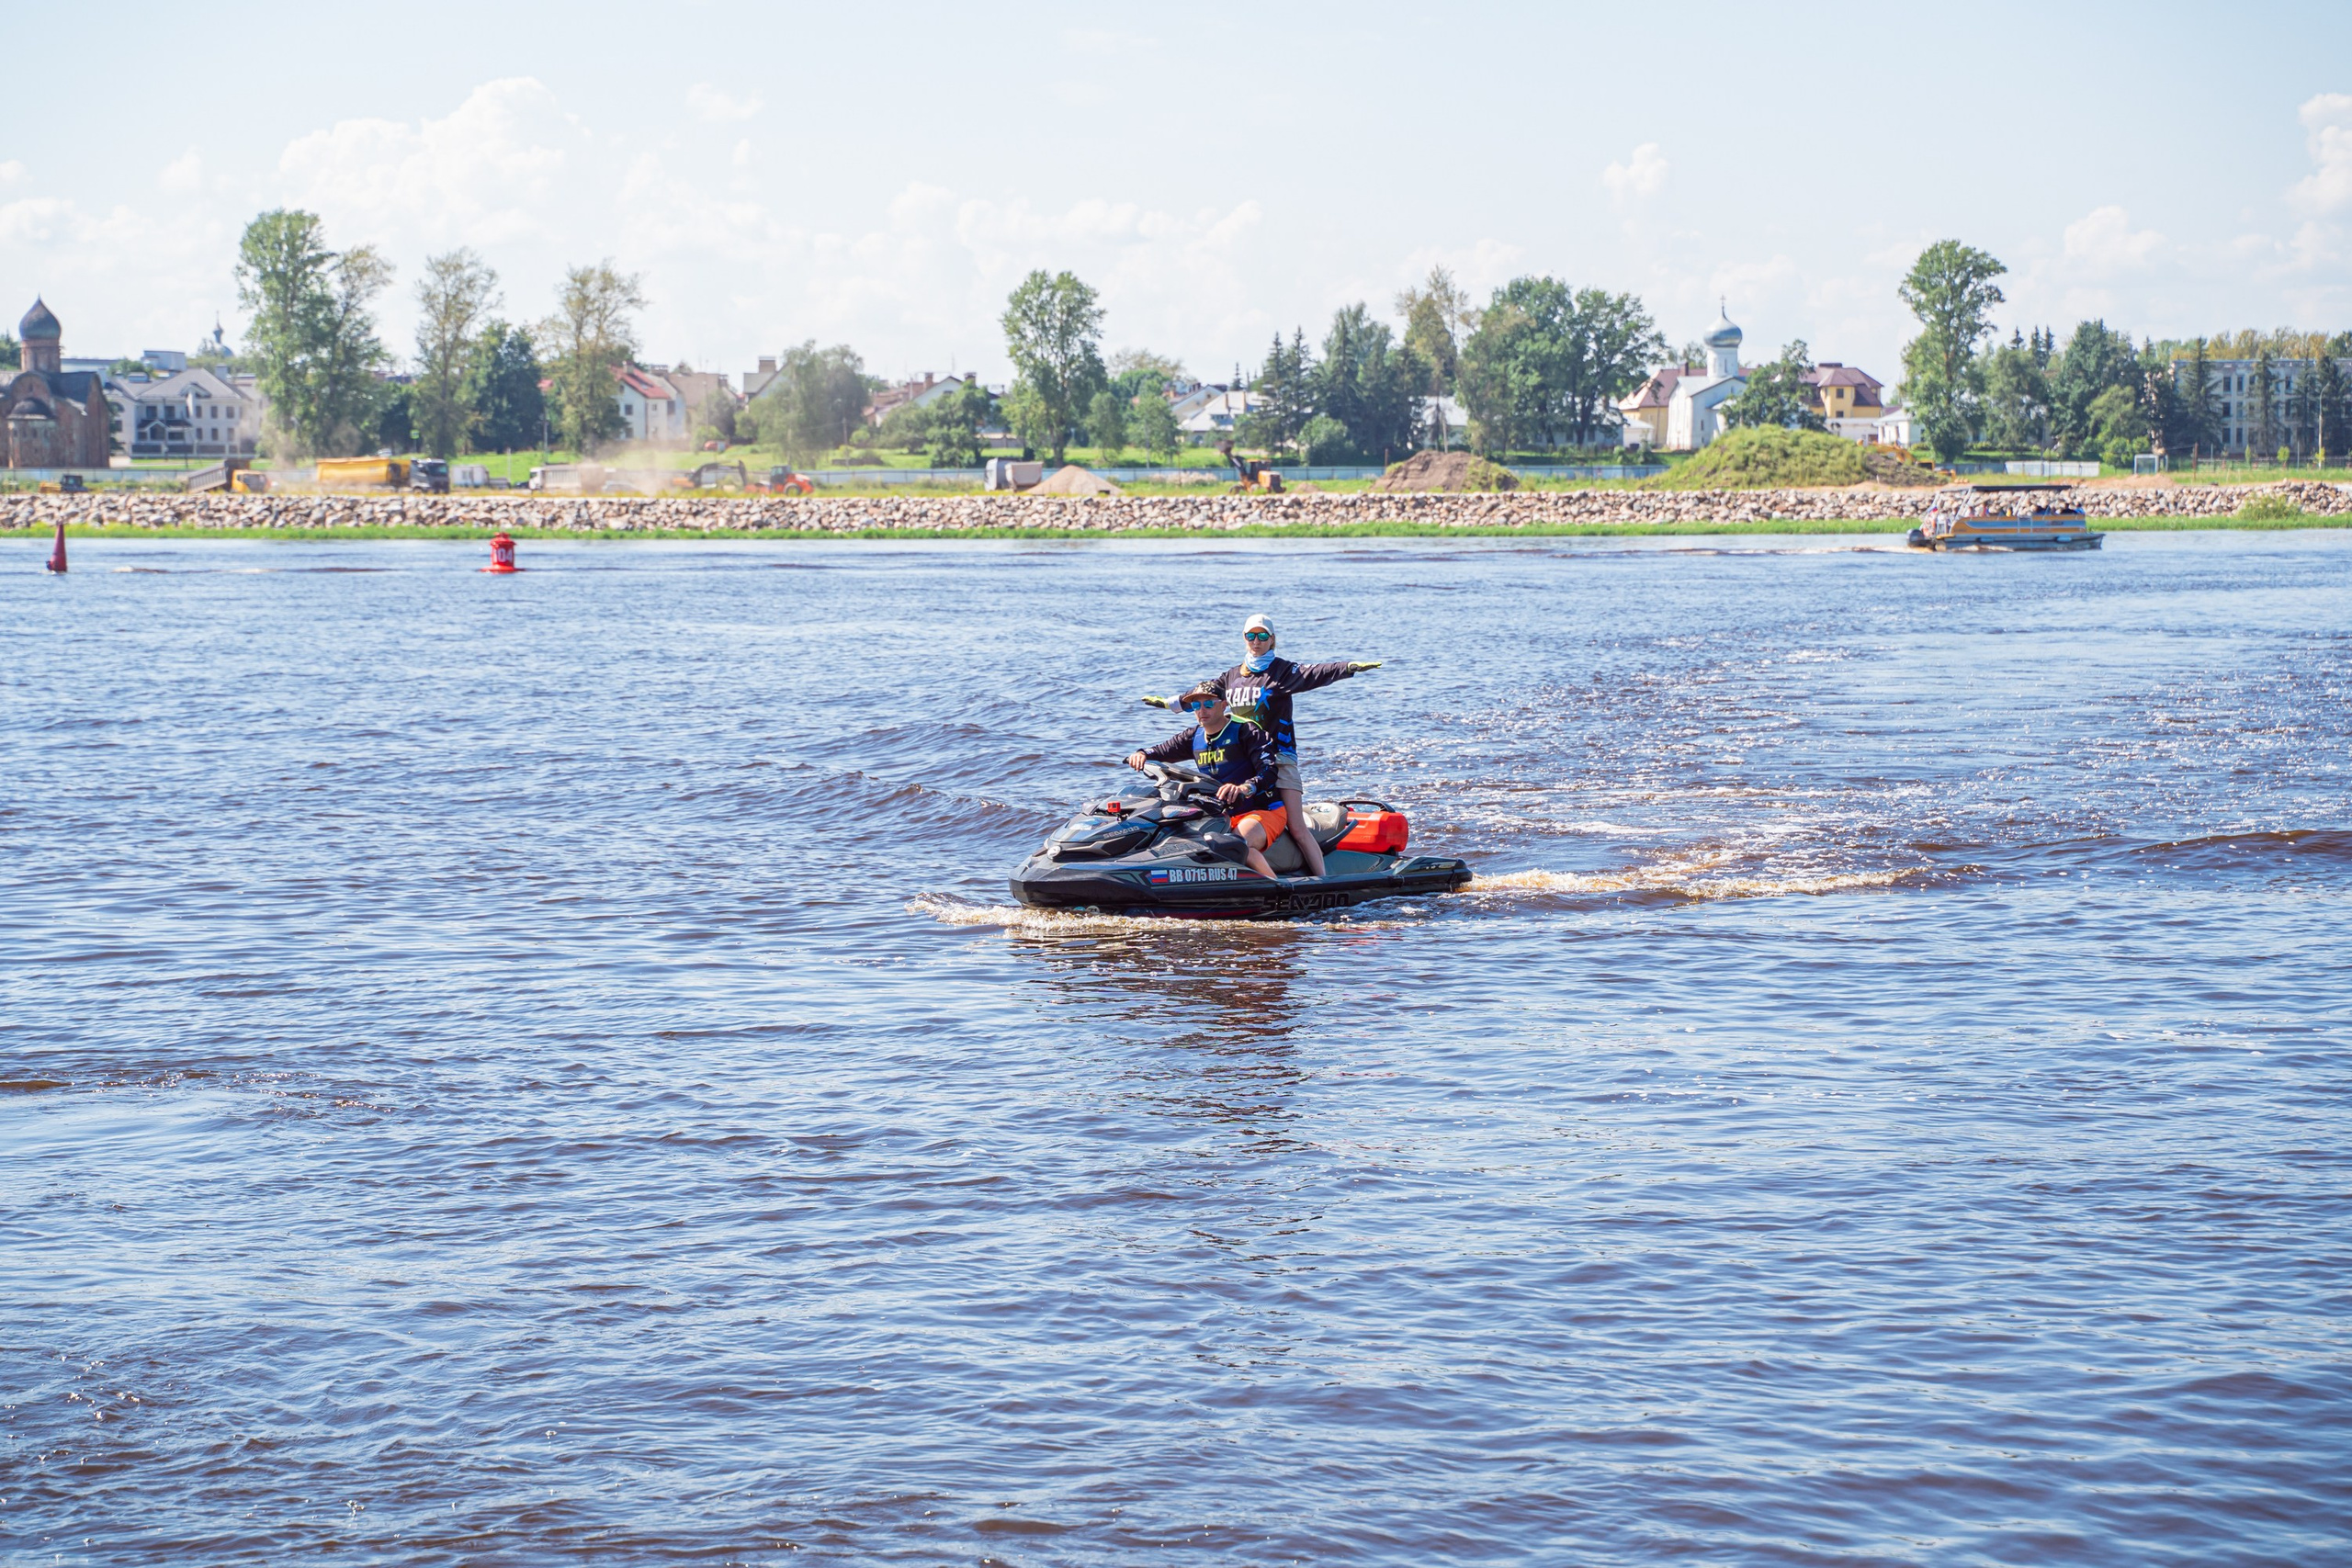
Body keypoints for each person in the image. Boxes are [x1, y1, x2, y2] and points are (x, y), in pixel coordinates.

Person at [1152, 615, 1380, 878]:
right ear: (1244, 638)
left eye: (1262, 636)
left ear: (1272, 640)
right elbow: (1205, 694)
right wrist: (1170, 703)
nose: (1256, 641)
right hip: (1242, 756)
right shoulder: (1233, 676)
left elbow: (1316, 673)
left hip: (1278, 757)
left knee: (1296, 827)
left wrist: (1348, 667)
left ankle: (1322, 880)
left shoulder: (1282, 672)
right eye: (1251, 636)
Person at [1125, 682, 1285, 881]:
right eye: (1195, 705)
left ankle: (1281, 892)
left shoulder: (1246, 731)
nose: (1201, 710)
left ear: (1223, 704)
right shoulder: (1194, 736)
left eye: (1208, 704)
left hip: (1264, 810)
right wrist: (1142, 754)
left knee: (1235, 844)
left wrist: (1245, 787)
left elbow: (1269, 770)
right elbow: (1160, 751)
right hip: (1222, 814)